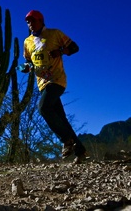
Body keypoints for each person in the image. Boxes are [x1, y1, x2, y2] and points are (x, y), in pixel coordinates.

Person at [18, 10, 86, 164]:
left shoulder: (55, 34)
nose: (30, 23)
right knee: (61, 119)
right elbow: (29, 61)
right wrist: (26, 67)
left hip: (57, 80)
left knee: (43, 108)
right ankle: (80, 151)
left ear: (41, 20)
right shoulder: (27, 42)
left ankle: (66, 139)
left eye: (33, 20)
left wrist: (61, 51)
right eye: (28, 21)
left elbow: (75, 47)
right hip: (42, 84)